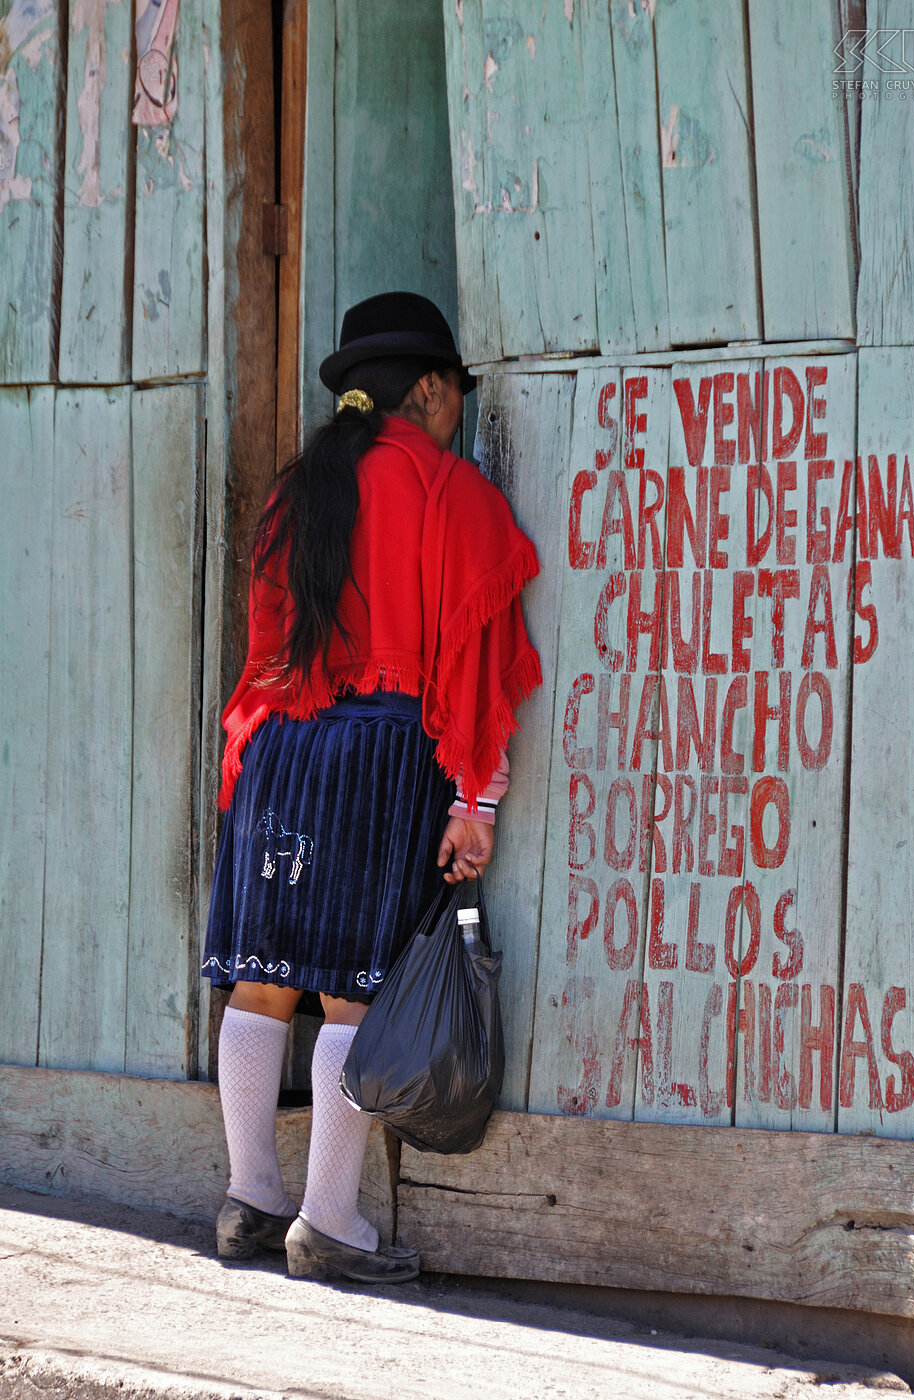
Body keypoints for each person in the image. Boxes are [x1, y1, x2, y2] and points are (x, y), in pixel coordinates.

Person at [201, 292, 541, 1285]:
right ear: (431, 390)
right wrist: (474, 802)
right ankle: (328, 1217)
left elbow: (265, 650)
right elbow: (480, 669)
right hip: (381, 751)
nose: (457, 415)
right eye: (454, 398)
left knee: (262, 975)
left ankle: (249, 1193)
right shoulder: (452, 492)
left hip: (283, 742)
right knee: (353, 992)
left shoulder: (295, 489)